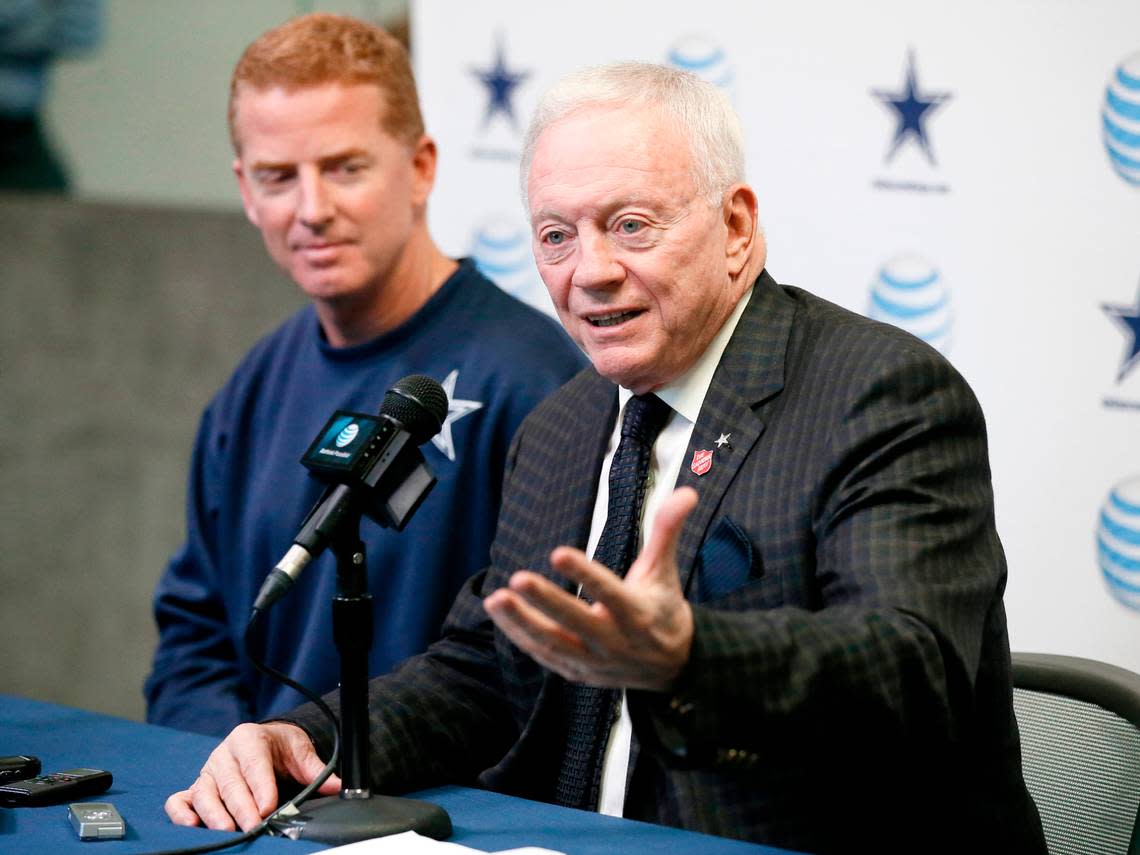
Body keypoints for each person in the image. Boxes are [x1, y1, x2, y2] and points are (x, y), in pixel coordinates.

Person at [164, 62, 1046, 853]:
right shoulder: (563, 425)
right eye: (556, 236)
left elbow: (913, 672)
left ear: (736, 227)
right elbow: (485, 671)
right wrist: (308, 737)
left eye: (630, 225)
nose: (591, 271)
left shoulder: (882, 392)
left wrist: (688, 655)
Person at [143, 14, 585, 737]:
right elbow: (195, 635)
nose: (312, 210)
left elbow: (538, 678)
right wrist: (236, 768)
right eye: (278, 177)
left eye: (346, 168)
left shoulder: (537, 382)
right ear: (246, 190)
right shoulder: (251, 388)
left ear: (420, 167)